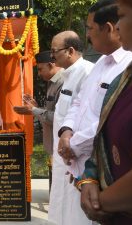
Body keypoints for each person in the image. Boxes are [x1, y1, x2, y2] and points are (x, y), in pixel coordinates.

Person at [80, 0, 132, 224]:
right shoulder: (130, 74)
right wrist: (90, 179)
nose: (118, 26)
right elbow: (103, 135)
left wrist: (100, 203)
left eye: (122, 16)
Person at [58, 0, 132, 179]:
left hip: (108, 170)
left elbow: (112, 120)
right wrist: (66, 131)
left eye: (89, 28)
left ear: (109, 28)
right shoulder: (101, 62)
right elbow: (79, 102)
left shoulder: (131, 65)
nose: (87, 35)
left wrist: (73, 146)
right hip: (81, 165)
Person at [47, 31, 94, 225]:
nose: (52, 56)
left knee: (77, 214)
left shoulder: (87, 72)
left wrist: (73, 148)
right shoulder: (68, 75)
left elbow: (90, 119)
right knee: (62, 208)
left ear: (70, 51)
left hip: (77, 157)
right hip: (62, 156)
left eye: (54, 51)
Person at [14, 50, 64, 190]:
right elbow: (49, 113)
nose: (39, 74)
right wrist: (36, 108)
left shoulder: (63, 82)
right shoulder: (52, 83)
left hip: (61, 147)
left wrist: (34, 110)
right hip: (53, 146)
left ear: (51, 64)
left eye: (40, 69)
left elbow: (59, 118)